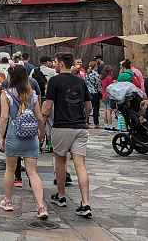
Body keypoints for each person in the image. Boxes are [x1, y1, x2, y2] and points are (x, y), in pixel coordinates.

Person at [43, 52, 93, 219]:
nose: (54, 64)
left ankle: (61, 195)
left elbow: (48, 106)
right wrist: (82, 117)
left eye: (55, 62)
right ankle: (85, 203)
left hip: (62, 126)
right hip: (80, 127)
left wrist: (42, 121)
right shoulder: (80, 81)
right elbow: (88, 107)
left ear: (61, 63)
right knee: (81, 165)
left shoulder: (54, 81)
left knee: (60, 161)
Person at [0, 64, 48, 220]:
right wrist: (41, 132)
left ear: (11, 77)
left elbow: (4, 117)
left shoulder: (5, 94)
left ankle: (8, 201)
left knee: (10, 170)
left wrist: (1, 136)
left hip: (14, 135)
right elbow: (39, 117)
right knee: (32, 172)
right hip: (31, 136)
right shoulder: (32, 94)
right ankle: (41, 206)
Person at [85, 61, 102, 128]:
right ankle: (96, 123)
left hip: (88, 92)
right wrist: (100, 91)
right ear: (95, 66)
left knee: (88, 108)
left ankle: (86, 122)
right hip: (95, 93)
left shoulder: (87, 74)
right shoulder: (96, 74)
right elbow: (98, 84)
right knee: (95, 109)